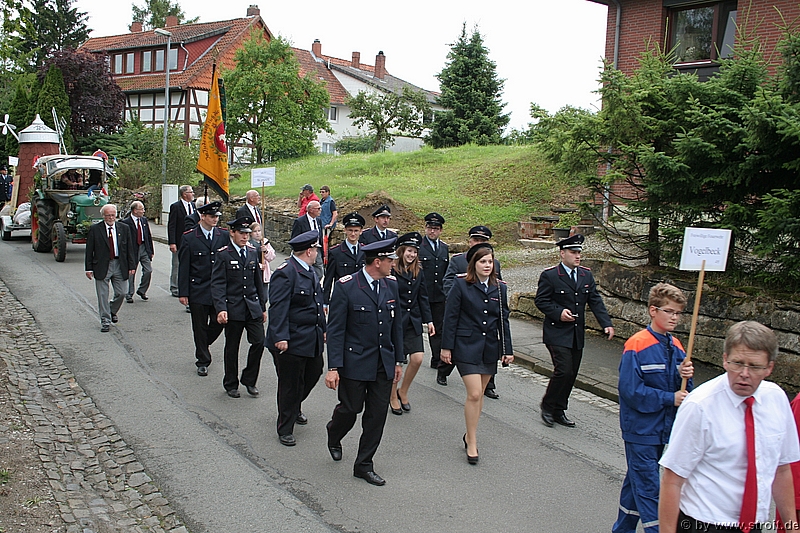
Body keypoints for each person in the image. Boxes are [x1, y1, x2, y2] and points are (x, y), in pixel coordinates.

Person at [659, 321, 800, 533]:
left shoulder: (777, 399)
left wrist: (792, 528)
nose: (744, 373)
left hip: (753, 525)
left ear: (769, 368)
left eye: (754, 366)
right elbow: (672, 479)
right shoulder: (700, 406)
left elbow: (782, 469)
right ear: (725, 360)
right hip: (703, 524)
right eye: (737, 363)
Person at [613, 283, 694, 533]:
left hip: (662, 429)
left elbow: (685, 391)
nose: (674, 317)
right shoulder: (637, 344)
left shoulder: (677, 345)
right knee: (649, 488)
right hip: (640, 430)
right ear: (653, 310)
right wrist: (670, 398)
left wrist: (686, 375)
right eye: (669, 311)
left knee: (636, 483)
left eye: (678, 313)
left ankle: (622, 529)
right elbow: (631, 391)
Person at [324, 238, 403, 486]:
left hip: (382, 363)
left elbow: (396, 326)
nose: (393, 264)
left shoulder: (391, 285)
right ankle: (334, 432)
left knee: (376, 416)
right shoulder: (347, 287)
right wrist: (333, 367)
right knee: (350, 409)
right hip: (355, 362)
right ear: (377, 262)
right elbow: (335, 330)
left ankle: (364, 465)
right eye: (390, 260)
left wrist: (398, 360)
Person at [440, 243, 513, 464]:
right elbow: (450, 317)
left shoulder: (499, 288)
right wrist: (446, 347)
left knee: (479, 394)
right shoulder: (461, 284)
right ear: (474, 264)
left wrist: (507, 350)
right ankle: (472, 440)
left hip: (489, 348)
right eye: (483, 261)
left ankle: (469, 433)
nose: (487, 265)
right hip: (465, 346)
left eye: (490, 261)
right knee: (473, 394)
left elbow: (503, 320)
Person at [535, 233, 614, 428]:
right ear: (562, 253)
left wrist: (606, 323)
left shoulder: (585, 275)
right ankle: (547, 406)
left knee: (571, 374)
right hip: (556, 332)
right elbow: (541, 301)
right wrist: (559, 312)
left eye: (579, 252)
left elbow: (595, 300)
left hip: (576, 334)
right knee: (563, 370)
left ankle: (559, 409)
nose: (577, 256)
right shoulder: (550, 275)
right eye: (573, 252)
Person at [267, 230, 326, 447]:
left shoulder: (309, 271)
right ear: (309, 251)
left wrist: (323, 328)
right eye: (316, 249)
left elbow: (317, 304)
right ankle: (285, 427)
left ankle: (294, 406)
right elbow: (278, 308)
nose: (317, 253)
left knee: (314, 372)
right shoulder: (286, 273)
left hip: (310, 336)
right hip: (290, 339)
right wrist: (281, 336)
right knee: (290, 384)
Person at [440, 225, 502, 399]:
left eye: (483, 241)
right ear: (470, 242)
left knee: (487, 350)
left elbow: (497, 288)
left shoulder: (494, 263)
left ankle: (489, 385)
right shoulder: (459, 261)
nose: (479, 243)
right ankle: (443, 371)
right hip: (464, 314)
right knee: (459, 350)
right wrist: (458, 301)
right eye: (476, 240)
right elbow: (448, 283)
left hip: (485, 318)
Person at [211, 216, 267, 398]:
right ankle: (231, 383)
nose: (245, 237)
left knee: (259, 342)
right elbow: (218, 284)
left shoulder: (252, 252)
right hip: (233, 308)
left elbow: (258, 282)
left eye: (247, 234)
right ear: (232, 233)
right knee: (232, 347)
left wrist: (262, 307)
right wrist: (221, 308)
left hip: (252, 307)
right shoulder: (223, 254)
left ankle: (249, 379)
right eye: (241, 233)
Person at [178, 202, 228, 376]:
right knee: (199, 326)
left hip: (218, 290)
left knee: (219, 322)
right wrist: (183, 292)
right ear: (203, 217)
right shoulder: (189, 237)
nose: (215, 220)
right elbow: (184, 266)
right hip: (198, 289)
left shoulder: (223, 235)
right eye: (212, 217)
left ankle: (203, 344)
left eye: (217, 217)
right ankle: (203, 360)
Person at [388, 232, 433, 416]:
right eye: (409, 251)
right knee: (396, 361)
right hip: (395, 322)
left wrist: (429, 320)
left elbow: (423, 296)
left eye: (414, 252)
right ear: (401, 251)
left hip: (413, 320)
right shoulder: (391, 269)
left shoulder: (418, 271)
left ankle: (403, 390)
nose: (412, 255)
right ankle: (392, 395)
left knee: (417, 358)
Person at [84, 204, 136, 332]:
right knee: (103, 295)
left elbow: (129, 248)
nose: (111, 218)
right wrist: (88, 268)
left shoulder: (124, 228)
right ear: (103, 216)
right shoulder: (95, 229)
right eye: (108, 215)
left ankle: (112, 310)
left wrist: (132, 265)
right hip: (102, 265)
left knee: (122, 292)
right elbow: (89, 250)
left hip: (120, 264)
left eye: (113, 215)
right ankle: (105, 321)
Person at [419, 212, 449, 368]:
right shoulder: (418, 246)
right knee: (411, 325)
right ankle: (404, 353)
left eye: (436, 229)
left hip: (438, 296)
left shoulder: (444, 248)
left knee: (438, 328)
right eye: (430, 228)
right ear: (425, 228)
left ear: (440, 230)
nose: (432, 231)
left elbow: (446, 273)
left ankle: (436, 358)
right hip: (419, 295)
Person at [322, 212, 366, 310]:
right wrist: (325, 302)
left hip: (361, 297)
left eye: (356, 231)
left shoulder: (365, 251)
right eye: (350, 230)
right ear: (345, 230)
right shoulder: (335, 252)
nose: (353, 234)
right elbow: (329, 279)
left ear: (361, 231)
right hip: (342, 298)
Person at [120, 200, 154, 303]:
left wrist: (151, 250)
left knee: (148, 270)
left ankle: (142, 290)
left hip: (144, 248)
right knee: (131, 272)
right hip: (132, 249)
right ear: (135, 210)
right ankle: (129, 293)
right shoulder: (125, 222)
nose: (144, 211)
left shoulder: (144, 220)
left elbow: (148, 235)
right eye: (141, 209)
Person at [168, 185, 195, 298]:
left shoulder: (193, 206)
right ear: (184, 194)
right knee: (177, 264)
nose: (193, 194)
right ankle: (174, 287)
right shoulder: (175, 206)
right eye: (191, 192)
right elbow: (172, 225)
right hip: (180, 241)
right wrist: (172, 242)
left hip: (192, 241)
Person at [291, 200, 324, 280]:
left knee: (319, 271)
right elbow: (295, 237)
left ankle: (314, 283)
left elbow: (320, 235)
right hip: (305, 250)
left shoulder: (318, 220)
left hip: (316, 249)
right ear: (311, 210)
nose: (320, 210)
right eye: (318, 208)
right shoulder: (300, 222)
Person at [248, 222, 276, 292]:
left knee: (264, 294)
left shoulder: (265, 242)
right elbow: (249, 259)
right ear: (251, 233)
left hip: (264, 273)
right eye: (255, 231)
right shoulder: (248, 244)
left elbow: (272, 257)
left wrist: (266, 251)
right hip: (253, 273)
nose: (257, 233)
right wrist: (258, 265)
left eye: (259, 231)